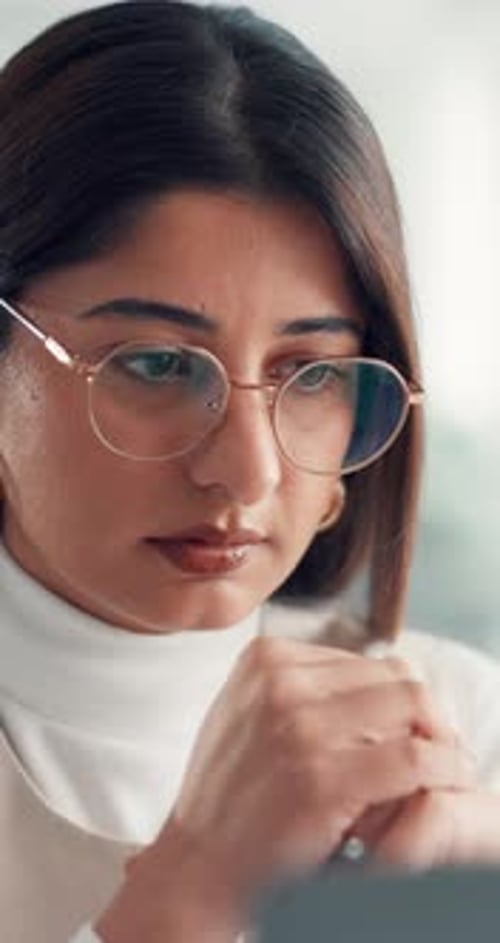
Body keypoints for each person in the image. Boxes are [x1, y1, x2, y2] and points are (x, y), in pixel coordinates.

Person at [0, 2, 499, 941]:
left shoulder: (469, 727)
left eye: (310, 375)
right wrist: (189, 889)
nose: (247, 472)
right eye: (156, 363)